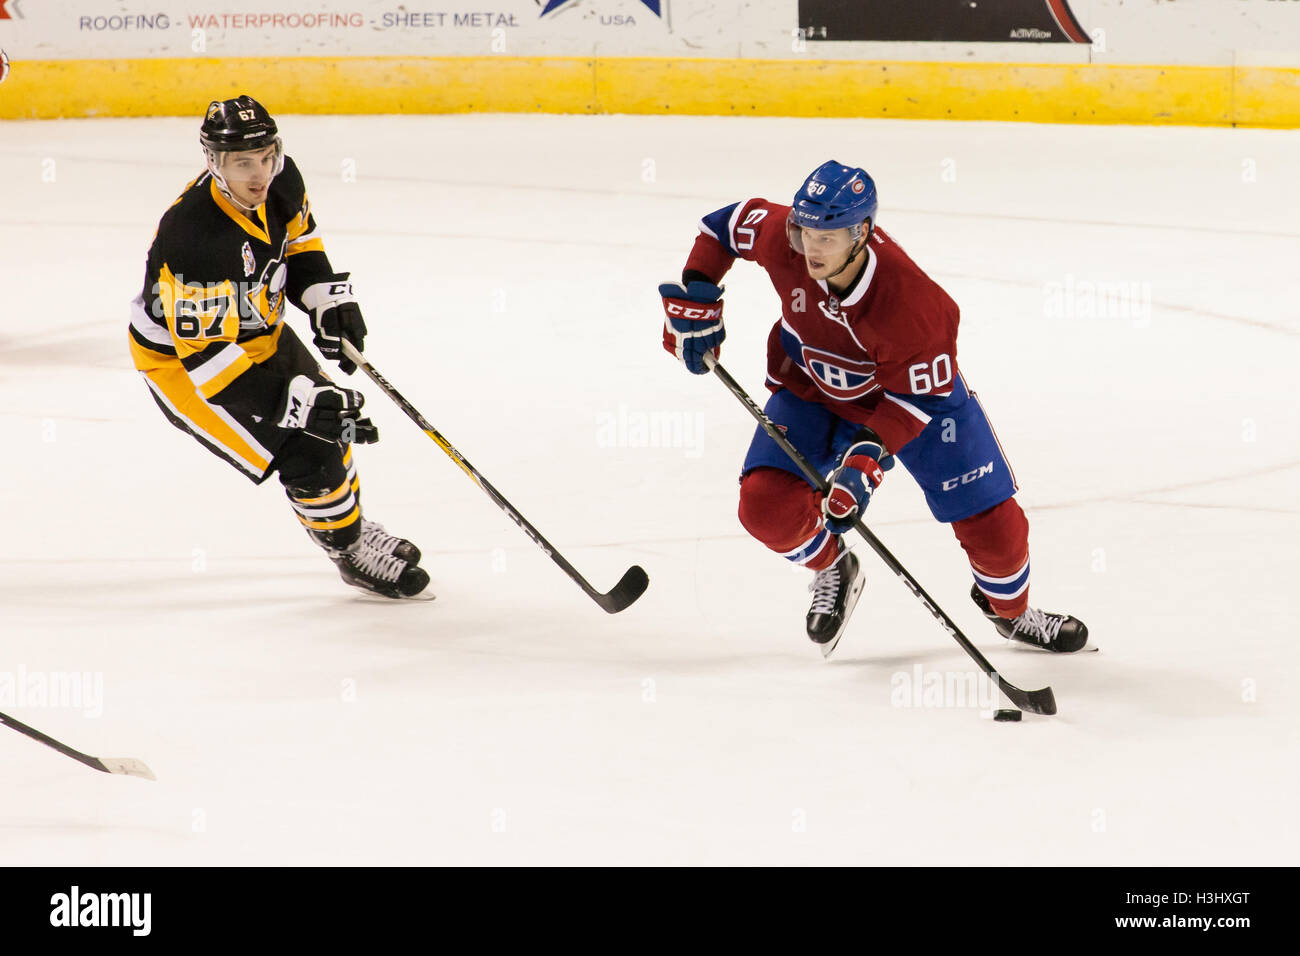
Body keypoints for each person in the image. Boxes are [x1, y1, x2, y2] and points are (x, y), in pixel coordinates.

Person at [660, 160, 1087, 656]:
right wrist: (700, 293)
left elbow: (918, 398)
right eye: (804, 233)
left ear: (861, 233)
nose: (810, 248)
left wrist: (864, 465)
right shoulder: (787, 236)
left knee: (998, 533)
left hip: (914, 403)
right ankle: (833, 565)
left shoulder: (916, 305)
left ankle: (1012, 616)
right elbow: (724, 226)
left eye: (827, 238)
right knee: (765, 507)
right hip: (815, 389)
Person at [128, 95, 429, 599]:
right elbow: (213, 370)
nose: (259, 173)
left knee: (336, 425)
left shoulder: (283, 181)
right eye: (242, 162)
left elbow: (301, 247)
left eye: (265, 156)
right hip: (185, 365)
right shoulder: (195, 236)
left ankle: (348, 523)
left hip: (259, 331)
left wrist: (325, 299)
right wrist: (296, 404)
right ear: (214, 162)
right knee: (306, 451)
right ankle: (349, 550)